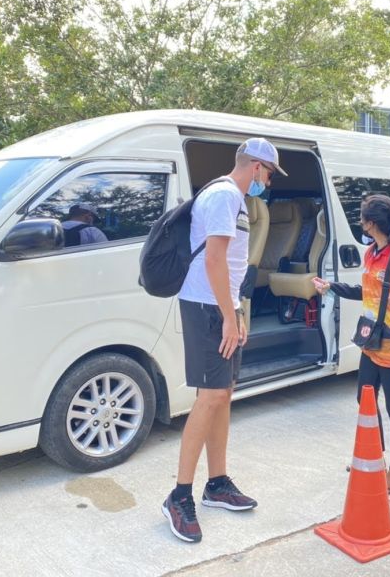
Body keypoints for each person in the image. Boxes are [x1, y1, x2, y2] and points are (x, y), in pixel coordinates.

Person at [161, 138, 287, 544]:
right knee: (210, 397)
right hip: (204, 308)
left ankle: (216, 484)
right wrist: (227, 316)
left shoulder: (234, 199)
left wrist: (237, 311)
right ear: (255, 167)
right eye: (268, 175)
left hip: (221, 307)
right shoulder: (223, 195)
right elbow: (214, 260)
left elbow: (230, 266)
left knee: (223, 395)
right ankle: (178, 496)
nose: (267, 183)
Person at [313, 194, 390, 494]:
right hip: (370, 344)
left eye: (361, 219)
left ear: (371, 224)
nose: (360, 224)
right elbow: (367, 292)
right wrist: (331, 287)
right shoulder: (371, 253)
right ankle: (375, 457)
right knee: (366, 402)